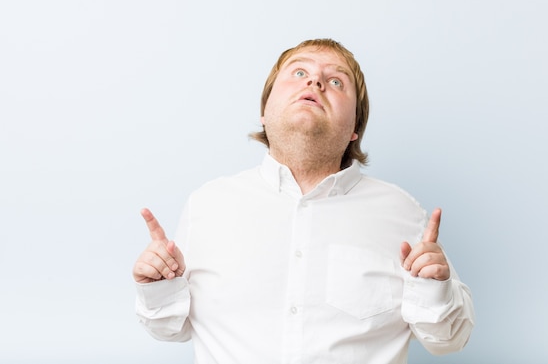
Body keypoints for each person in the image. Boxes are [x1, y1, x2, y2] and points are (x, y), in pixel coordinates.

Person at [132, 38, 475, 363]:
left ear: (355, 126)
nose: (314, 82)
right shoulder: (206, 206)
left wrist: (433, 288)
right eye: (299, 73)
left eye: (337, 81)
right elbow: (169, 327)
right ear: (264, 110)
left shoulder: (403, 213)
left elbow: (448, 340)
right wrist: (159, 289)